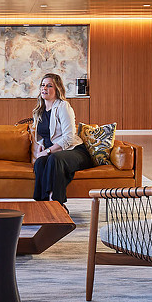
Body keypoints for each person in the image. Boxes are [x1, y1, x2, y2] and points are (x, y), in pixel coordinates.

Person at [30, 73, 93, 204]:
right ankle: (43, 204)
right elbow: (42, 134)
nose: (44, 88)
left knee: (53, 159)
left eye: (49, 86)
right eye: (42, 85)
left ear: (57, 89)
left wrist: (47, 151)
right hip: (55, 153)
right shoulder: (39, 110)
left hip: (75, 151)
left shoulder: (63, 106)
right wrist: (42, 145)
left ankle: (56, 203)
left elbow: (69, 138)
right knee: (40, 163)